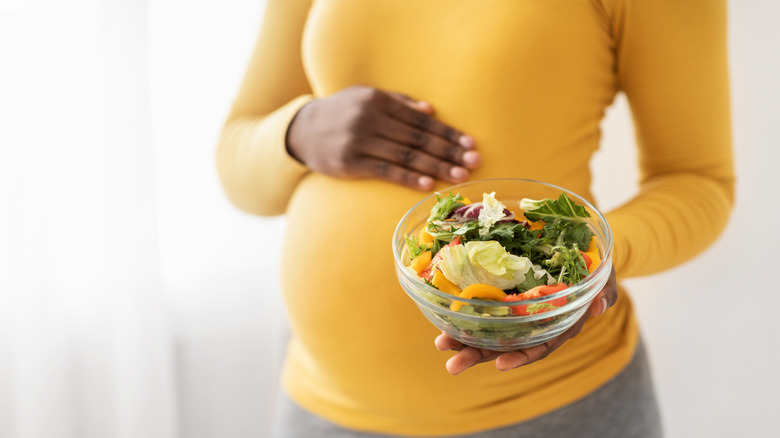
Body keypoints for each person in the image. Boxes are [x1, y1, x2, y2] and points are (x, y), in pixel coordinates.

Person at [216, 0, 734, 436]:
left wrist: (590, 270)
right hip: (320, 405)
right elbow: (238, 166)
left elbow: (698, 181)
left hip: (552, 410)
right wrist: (296, 132)